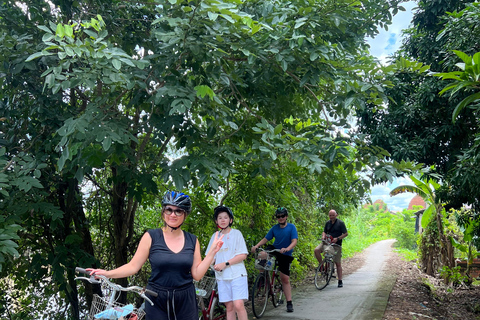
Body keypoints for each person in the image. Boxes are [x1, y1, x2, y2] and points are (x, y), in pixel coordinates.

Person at [87, 191, 224, 320]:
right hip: (156, 298)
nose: (173, 214)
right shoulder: (151, 236)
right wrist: (107, 273)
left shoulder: (192, 240)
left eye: (178, 211)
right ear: (163, 211)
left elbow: (197, 274)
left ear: (185, 214)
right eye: (169, 209)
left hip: (185, 299)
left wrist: (212, 252)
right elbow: (133, 266)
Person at [251, 207, 298, 313]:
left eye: (282, 216)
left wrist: (287, 248)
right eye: (278, 217)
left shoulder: (291, 227)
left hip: (285, 252)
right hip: (275, 249)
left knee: (284, 278)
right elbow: (266, 239)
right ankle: (262, 277)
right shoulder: (274, 228)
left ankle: (289, 302)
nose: (280, 218)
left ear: (286, 217)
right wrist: (257, 246)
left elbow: (294, 241)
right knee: (262, 254)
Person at [206, 205, 248, 320]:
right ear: (216, 221)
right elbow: (210, 256)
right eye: (220, 218)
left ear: (230, 220)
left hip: (237, 274)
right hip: (221, 276)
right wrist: (210, 265)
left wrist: (225, 264)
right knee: (229, 307)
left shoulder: (236, 233)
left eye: (225, 217)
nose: (223, 220)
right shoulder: (215, 236)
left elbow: (243, 255)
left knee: (238, 304)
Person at [314, 209, 348, 288]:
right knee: (316, 250)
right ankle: (322, 267)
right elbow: (324, 231)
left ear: (336, 215)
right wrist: (323, 236)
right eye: (330, 215)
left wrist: (338, 238)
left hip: (336, 245)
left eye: (333, 215)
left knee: (337, 263)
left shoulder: (340, 223)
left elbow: (346, 233)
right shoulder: (327, 223)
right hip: (327, 242)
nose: (331, 217)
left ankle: (340, 280)